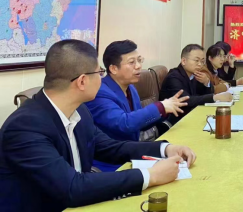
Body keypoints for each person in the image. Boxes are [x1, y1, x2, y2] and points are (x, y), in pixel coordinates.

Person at [0, 40, 197, 212]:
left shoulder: (79, 111)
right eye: (99, 72)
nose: (102, 78)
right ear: (82, 81)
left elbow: (110, 147)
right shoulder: (25, 127)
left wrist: (164, 149)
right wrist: (150, 175)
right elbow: (72, 187)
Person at [86, 40, 189, 171]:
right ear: (113, 68)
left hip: (132, 155)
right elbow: (124, 123)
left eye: (139, 60)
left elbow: (139, 124)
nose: (139, 66)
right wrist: (160, 107)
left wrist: (165, 111)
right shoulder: (100, 92)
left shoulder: (130, 88)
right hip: (110, 164)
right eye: (132, 62)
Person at [159, 44, 232, 125]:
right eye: (196, 60)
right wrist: (215, 97)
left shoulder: (194, 75)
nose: (200, 64)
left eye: (202, 61)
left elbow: (202, 94)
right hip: (173, 122)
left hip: (189, 116)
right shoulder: (174, 77)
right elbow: (186, 101)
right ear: (184, 61)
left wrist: (206, 82)